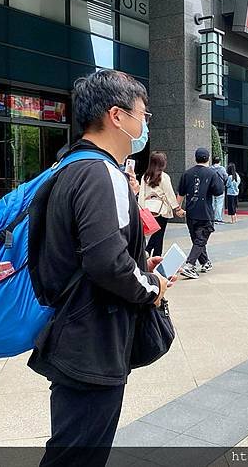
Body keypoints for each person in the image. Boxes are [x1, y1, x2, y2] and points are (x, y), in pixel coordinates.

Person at [28, 70, 170, 467]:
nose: (144, 124)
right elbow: (106, 262)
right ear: (117, 116)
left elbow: (95, 251)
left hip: (77, 330)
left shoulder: (71, 166)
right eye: (143, 113)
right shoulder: (100, 172)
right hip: (91, 341)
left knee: (72, 448)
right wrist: (150, 285)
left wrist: (140, 263)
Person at [177, 148, 225, 279]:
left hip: (190, 213)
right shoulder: (212, 174)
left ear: (195, 158)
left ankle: (205, 262)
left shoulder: (187, 173)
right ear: (208, 158)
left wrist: (177, 209)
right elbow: (219, 192)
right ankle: (189, 265)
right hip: (205, 213)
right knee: (200, 240)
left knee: (197, 240)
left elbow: (180, 193)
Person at [140, 152, 185, 257]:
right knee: (159, 233)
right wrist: (176, 208)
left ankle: (151, 252)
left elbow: (142, 193)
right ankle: (154, 253)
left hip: (148, 208)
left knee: (156, 232)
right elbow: (169, 194)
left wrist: (142, 209)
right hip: (161, 209)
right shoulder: (164, 177)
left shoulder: (145, 176)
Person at [211, 157, 228, 224]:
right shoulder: (222, 169)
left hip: (211, 188)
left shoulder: (210, 169)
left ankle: (212, 217)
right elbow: (226, 177)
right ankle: (218, 219)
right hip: (220, 188)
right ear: (219, 161)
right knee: (219, 204)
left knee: (212, 204)